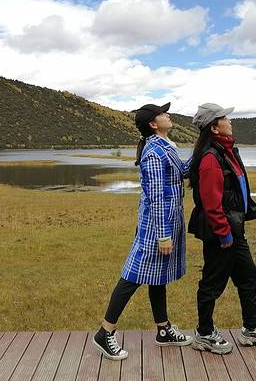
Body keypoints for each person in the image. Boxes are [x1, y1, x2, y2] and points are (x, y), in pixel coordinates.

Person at [93, 102, 192, 360]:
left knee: (157, 276)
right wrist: (163, 235)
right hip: (156, 225)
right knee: (132, 276)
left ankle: (163, 329)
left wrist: (204, 146)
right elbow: (157, 197)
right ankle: (105, 332)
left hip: (165, 222)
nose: (168, 115)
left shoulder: (164, 147)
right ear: (153, 124)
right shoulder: (153, 153)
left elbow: (182, 171)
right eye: (163, 113)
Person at [188, 103, 256, 354]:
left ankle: (251, 329)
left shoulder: (227, 151)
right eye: (225, 118)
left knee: (248, 276)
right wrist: (224, 233)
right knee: (212, 283)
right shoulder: (211, 158)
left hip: (234, 229)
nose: (230, 121)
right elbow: (211, 202)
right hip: (222, 232)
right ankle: (204, 333)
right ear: (214, 128)